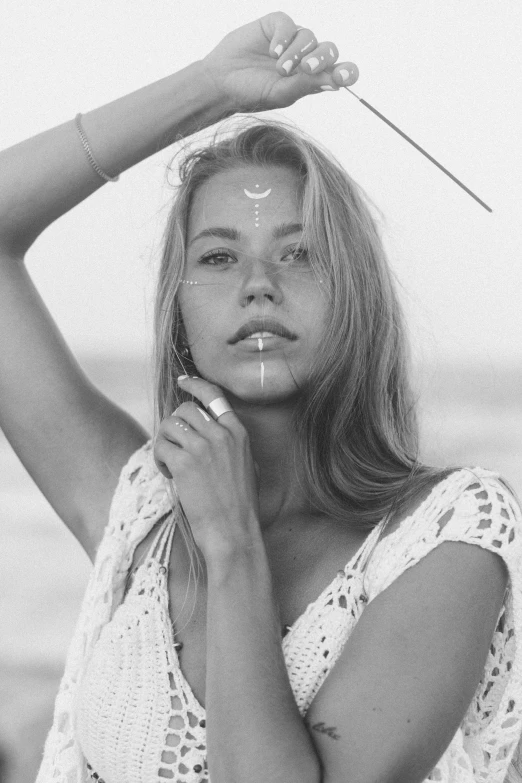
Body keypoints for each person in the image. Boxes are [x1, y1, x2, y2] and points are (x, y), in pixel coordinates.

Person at [0, 11, 521, 783]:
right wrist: (210, 88)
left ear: (356, 298)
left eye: (299, 252)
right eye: (218, 254)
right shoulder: (139, 504)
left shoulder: (449, 535)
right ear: (180, 313)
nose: (258, 285)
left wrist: (231, 538)